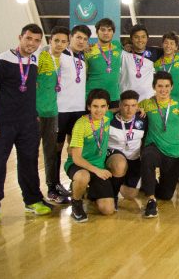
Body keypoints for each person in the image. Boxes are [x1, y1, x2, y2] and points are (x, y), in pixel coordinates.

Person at [0, 23, 51, 225]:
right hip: (2, 124)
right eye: (29, 38)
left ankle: (33, 200)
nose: (32, 43)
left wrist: (33, 113)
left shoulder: (35, 61)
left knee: (29, 164)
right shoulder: (1, 60)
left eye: (37, 40)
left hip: (28, 124)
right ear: (20, 37)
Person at [65, 89, 115, 222]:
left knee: (108, 210)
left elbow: (121, 110)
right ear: (88, 107)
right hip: (78, 165)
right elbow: (76, 158)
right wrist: (97, 171)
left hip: (97, 167)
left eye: (103, 106)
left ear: (107, 107)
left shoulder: (107, 117)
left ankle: (87, 191)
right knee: (83, 176)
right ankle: (76, 202)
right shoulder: (81, 125)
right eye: (95, 106)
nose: (99, 110)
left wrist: (140, 108)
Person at [139, 71, 179, 218]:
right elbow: (129, 108)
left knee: (165, 195)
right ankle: (151, 200)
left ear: (172, 87)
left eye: (166, 86)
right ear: (154, 87)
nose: (163, 89)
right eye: (160, 86)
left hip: (174, 151)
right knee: (147, 157)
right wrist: (138, 109)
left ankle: (148, 182)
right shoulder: (146, 103)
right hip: (154, 147)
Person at [54, 24, 91, 200]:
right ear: (71, 38)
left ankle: (74, 182)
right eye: (78, 37)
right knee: (55, 149)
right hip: (60, 110)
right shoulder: (59, 55)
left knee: (75, 149)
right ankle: (52, 185)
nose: (81, 41)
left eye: (84, 39)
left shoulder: (83, 58)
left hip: (78, 111)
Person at [37, 26, 70, 205]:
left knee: (51, 152)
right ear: (50, 41)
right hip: (35, 114)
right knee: (29, 155)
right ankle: (33, 193)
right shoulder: (41, 57)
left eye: (63, 41)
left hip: (53, 113)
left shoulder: (64, 59)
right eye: (56, 40)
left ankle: (53, 187)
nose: (59, 44)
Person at [106, 90, 147, 207]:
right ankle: (113, 194)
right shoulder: (110, 118)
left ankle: (116, 182)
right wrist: (116, 110)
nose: (129, 109)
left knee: (130, 195)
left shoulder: (143, 119)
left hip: (133, 159)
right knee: (119, 164)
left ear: (137, 106)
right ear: (120, 105)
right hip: (114, 156)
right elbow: (100, 112)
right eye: (126, 105)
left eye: (133, 106)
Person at [85, 18, 124, 108]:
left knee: (111, 122)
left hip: (113, 96)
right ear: (97, 32)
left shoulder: (117, 45)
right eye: (103, 30)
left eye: (109, 30)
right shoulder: (88, 50)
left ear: (113, 33)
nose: (106, 33)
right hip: (93, 97)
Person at [120, 24, 162, 100]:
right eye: (136, 37)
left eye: (143, 37)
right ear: (131, 39)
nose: (140, 40)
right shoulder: (124, 53)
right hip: (127, 99)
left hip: (147, 99)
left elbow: (173, 51)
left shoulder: (154, 52)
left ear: (147, 38)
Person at [153, 31, 179, 110]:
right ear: (162, 45)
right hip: (162, 100)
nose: (168, 46)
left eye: (172, 43)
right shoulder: (156, 63)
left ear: (176, 47)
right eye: (166, 43)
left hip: (178, 100)